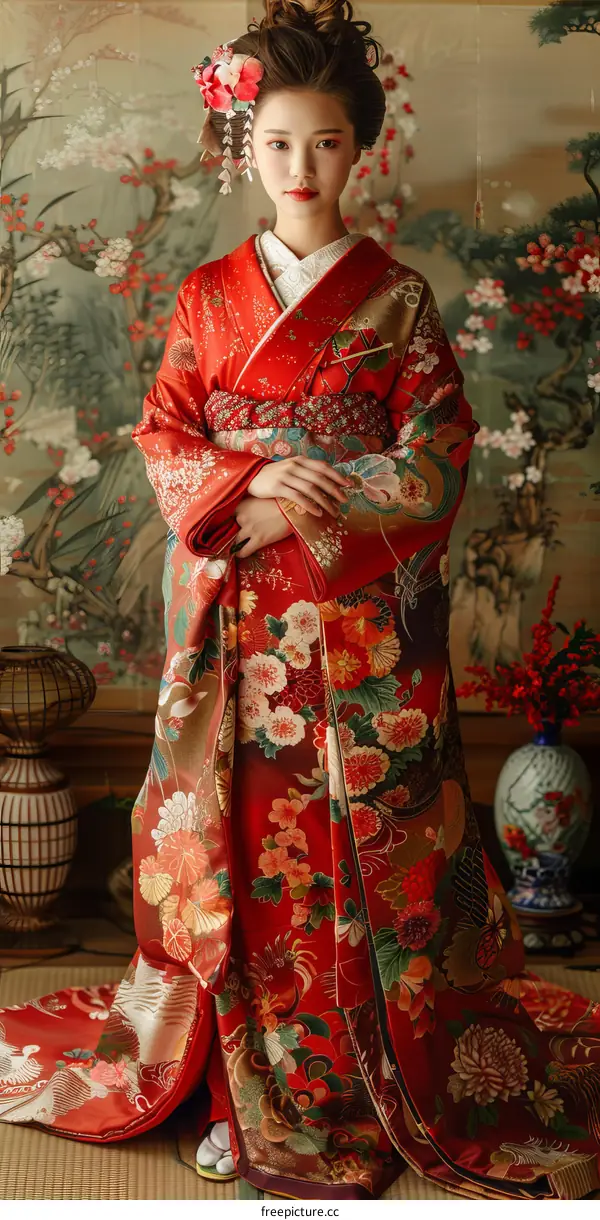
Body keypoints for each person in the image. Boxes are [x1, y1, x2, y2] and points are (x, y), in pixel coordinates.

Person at [1, 0, 599, 1202]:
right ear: (246, 145)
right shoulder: (210, 295)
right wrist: (249, 482)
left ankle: (364, 1082)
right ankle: (234, 1088)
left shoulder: (399, 300)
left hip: (360, 632)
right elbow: (167, 432)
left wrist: (293, 505)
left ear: (358, 146)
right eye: (278, 142)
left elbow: (437, 454)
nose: (302, 167)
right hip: (237, 633)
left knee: (353, 866)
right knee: (235, 861)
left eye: (325, 142)